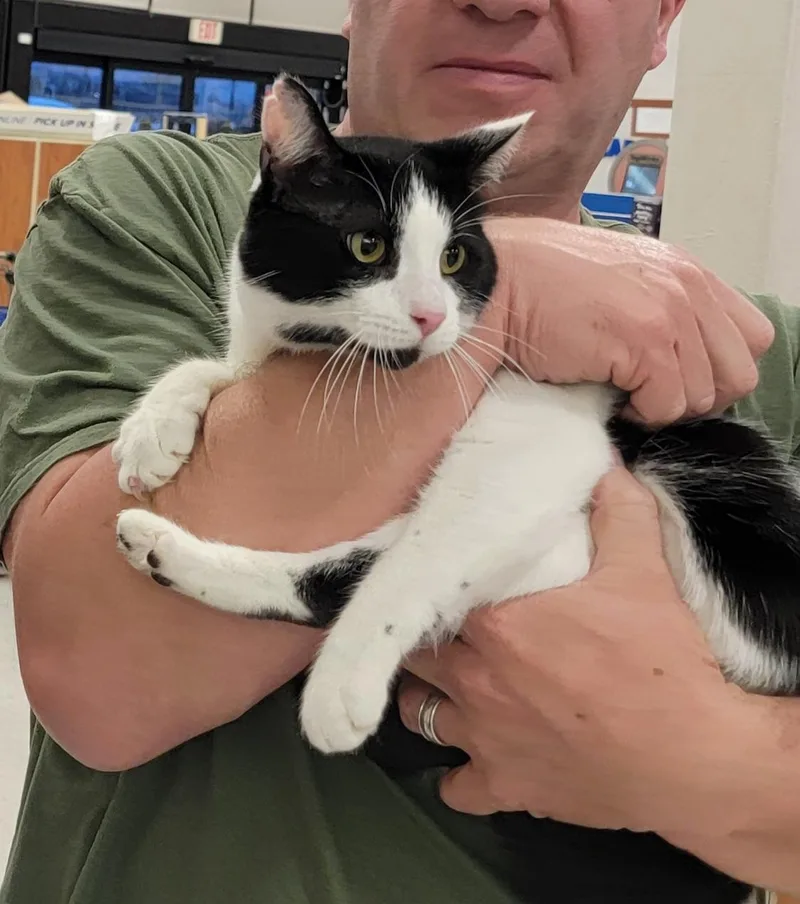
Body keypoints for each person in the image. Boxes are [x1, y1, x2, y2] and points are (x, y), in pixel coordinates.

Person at [0, 1, 798, 902]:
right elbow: (95, 681)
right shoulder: (160, 204)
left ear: (662, 21)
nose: (503, 1)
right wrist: (516, 292)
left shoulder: (759, 348)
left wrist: (711, 762)